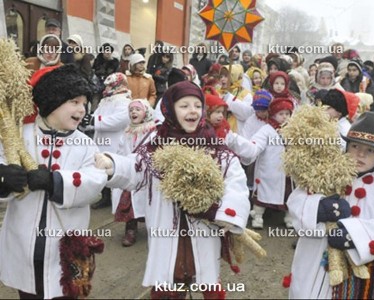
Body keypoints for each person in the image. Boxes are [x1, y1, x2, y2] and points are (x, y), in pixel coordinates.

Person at [94, 80, 250, 299]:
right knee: (169, 277)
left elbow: (235, 181)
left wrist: (227, 214)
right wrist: (112, 164)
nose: (192, 111)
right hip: (166, 225)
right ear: (170, 108)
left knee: (204, 275)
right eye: (184, 105)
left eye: (197, 105)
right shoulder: (158, 142)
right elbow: (136, 166)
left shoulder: (212, 144)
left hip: (204, 226)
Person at [0, 65, 107, 298]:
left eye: (85, 102)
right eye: (75, 101)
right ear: (52, 101)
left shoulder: (85, 144)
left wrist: (55, 182)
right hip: (25, 246)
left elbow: (94, 181)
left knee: (67, 292)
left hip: (67, 249)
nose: (83, 109)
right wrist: (4, 177)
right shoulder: (21, 135)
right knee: (30, 292)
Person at [287, 112, 374, 299]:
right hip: (315, 257)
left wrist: (353, 235)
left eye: (371, 150)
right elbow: (296, 199)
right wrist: (318, 207)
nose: (361, 154)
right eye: (355, 146)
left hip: (358, 265)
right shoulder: (324, 173)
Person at [226, 98, 295, 229]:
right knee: (262, 194)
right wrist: (237, 142)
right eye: (281, 114)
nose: (284, 117)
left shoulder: (293, 130)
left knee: (288, 194)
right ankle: (258, 216)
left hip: (287, 171)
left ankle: (289, 217)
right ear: (273, 114)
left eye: (287, 114)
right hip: (268, 170)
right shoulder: (266, 130)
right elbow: (255, 146)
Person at [81, 72, 132, 209]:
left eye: (110, 85)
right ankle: (105, 197)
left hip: (116, 141)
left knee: (113, 167)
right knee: (100, 166)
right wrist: (88, 121)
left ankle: (117, 200)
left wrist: (95, 121)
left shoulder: (125, 101)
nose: (107, 88)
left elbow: (119, 121)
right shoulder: (105, 100)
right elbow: (97, 115)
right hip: (102, 139)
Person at [114, 99, 156, 246]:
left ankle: (154, 228)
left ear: (146, 112)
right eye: (131, 110)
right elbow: (120, 150)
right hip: (130, 172)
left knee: (149, 202)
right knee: (128, 201)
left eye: (137, 109)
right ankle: (130, 230)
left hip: (147, 174)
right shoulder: (127, 132)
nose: (133, 112)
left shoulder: (153, 132)